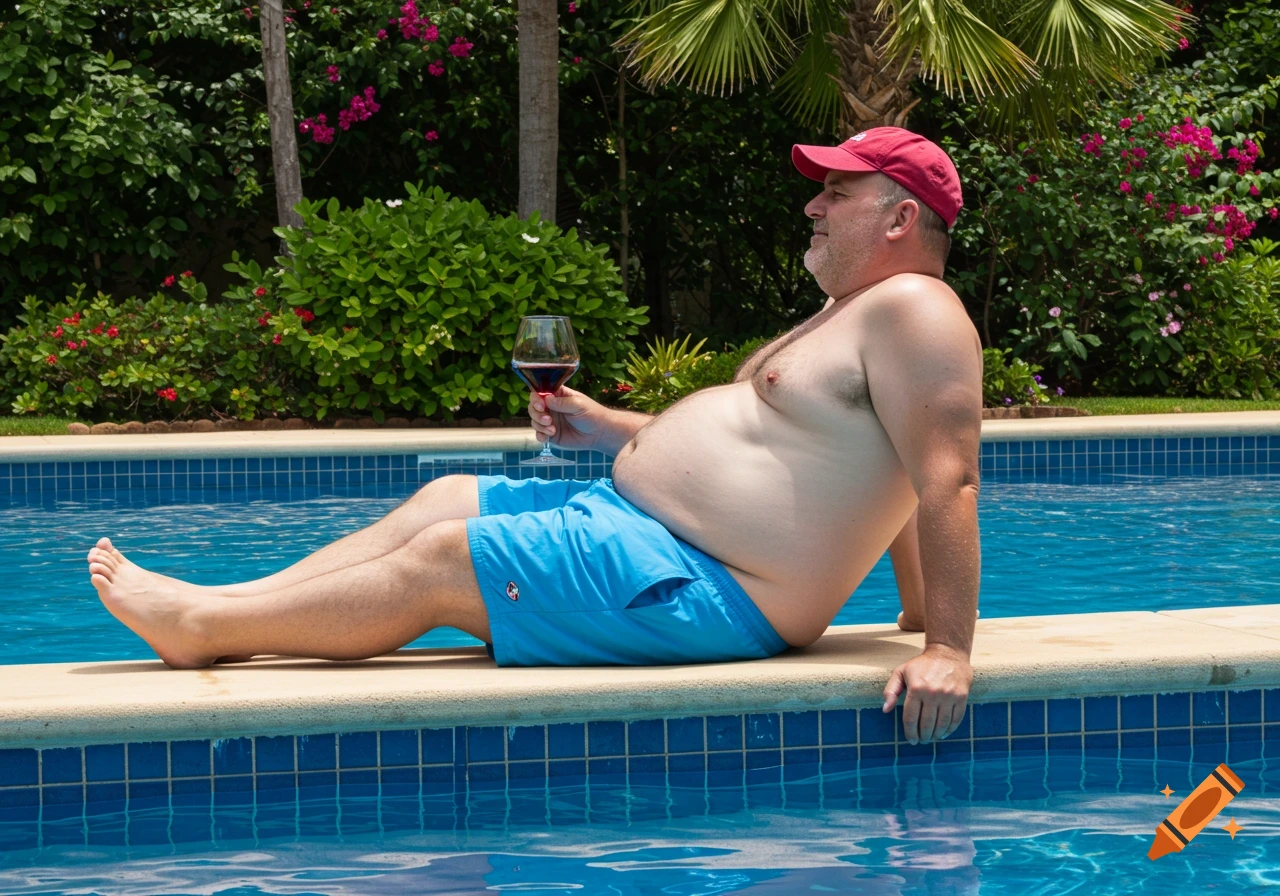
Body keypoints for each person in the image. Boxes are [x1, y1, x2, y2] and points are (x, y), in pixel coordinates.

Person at [87, 127, 982, 746]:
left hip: (706, 583)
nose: (812, 207)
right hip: (642, 533)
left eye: (837, 190)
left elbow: (944, 480)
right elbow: (875, 471)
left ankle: (204, 627)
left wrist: (946, 648)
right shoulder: (852, 316)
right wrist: (611, 431)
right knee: (446, 499)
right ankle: (233, 607)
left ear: (901, 217)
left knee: (444, 557)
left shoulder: (917, 309)